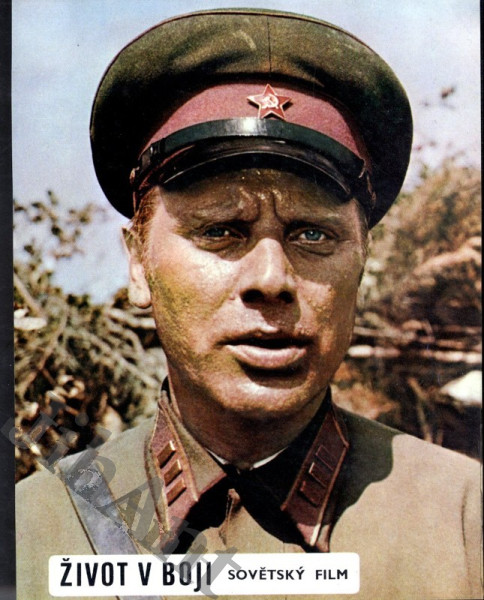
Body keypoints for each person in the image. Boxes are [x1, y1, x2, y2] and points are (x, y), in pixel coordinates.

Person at [16, 9, 481, 600]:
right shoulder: (33, 530)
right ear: (138, 263)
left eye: (312, 234)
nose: (271, 279)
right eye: (220, 231)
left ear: (361, 261)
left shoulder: (463, 525)